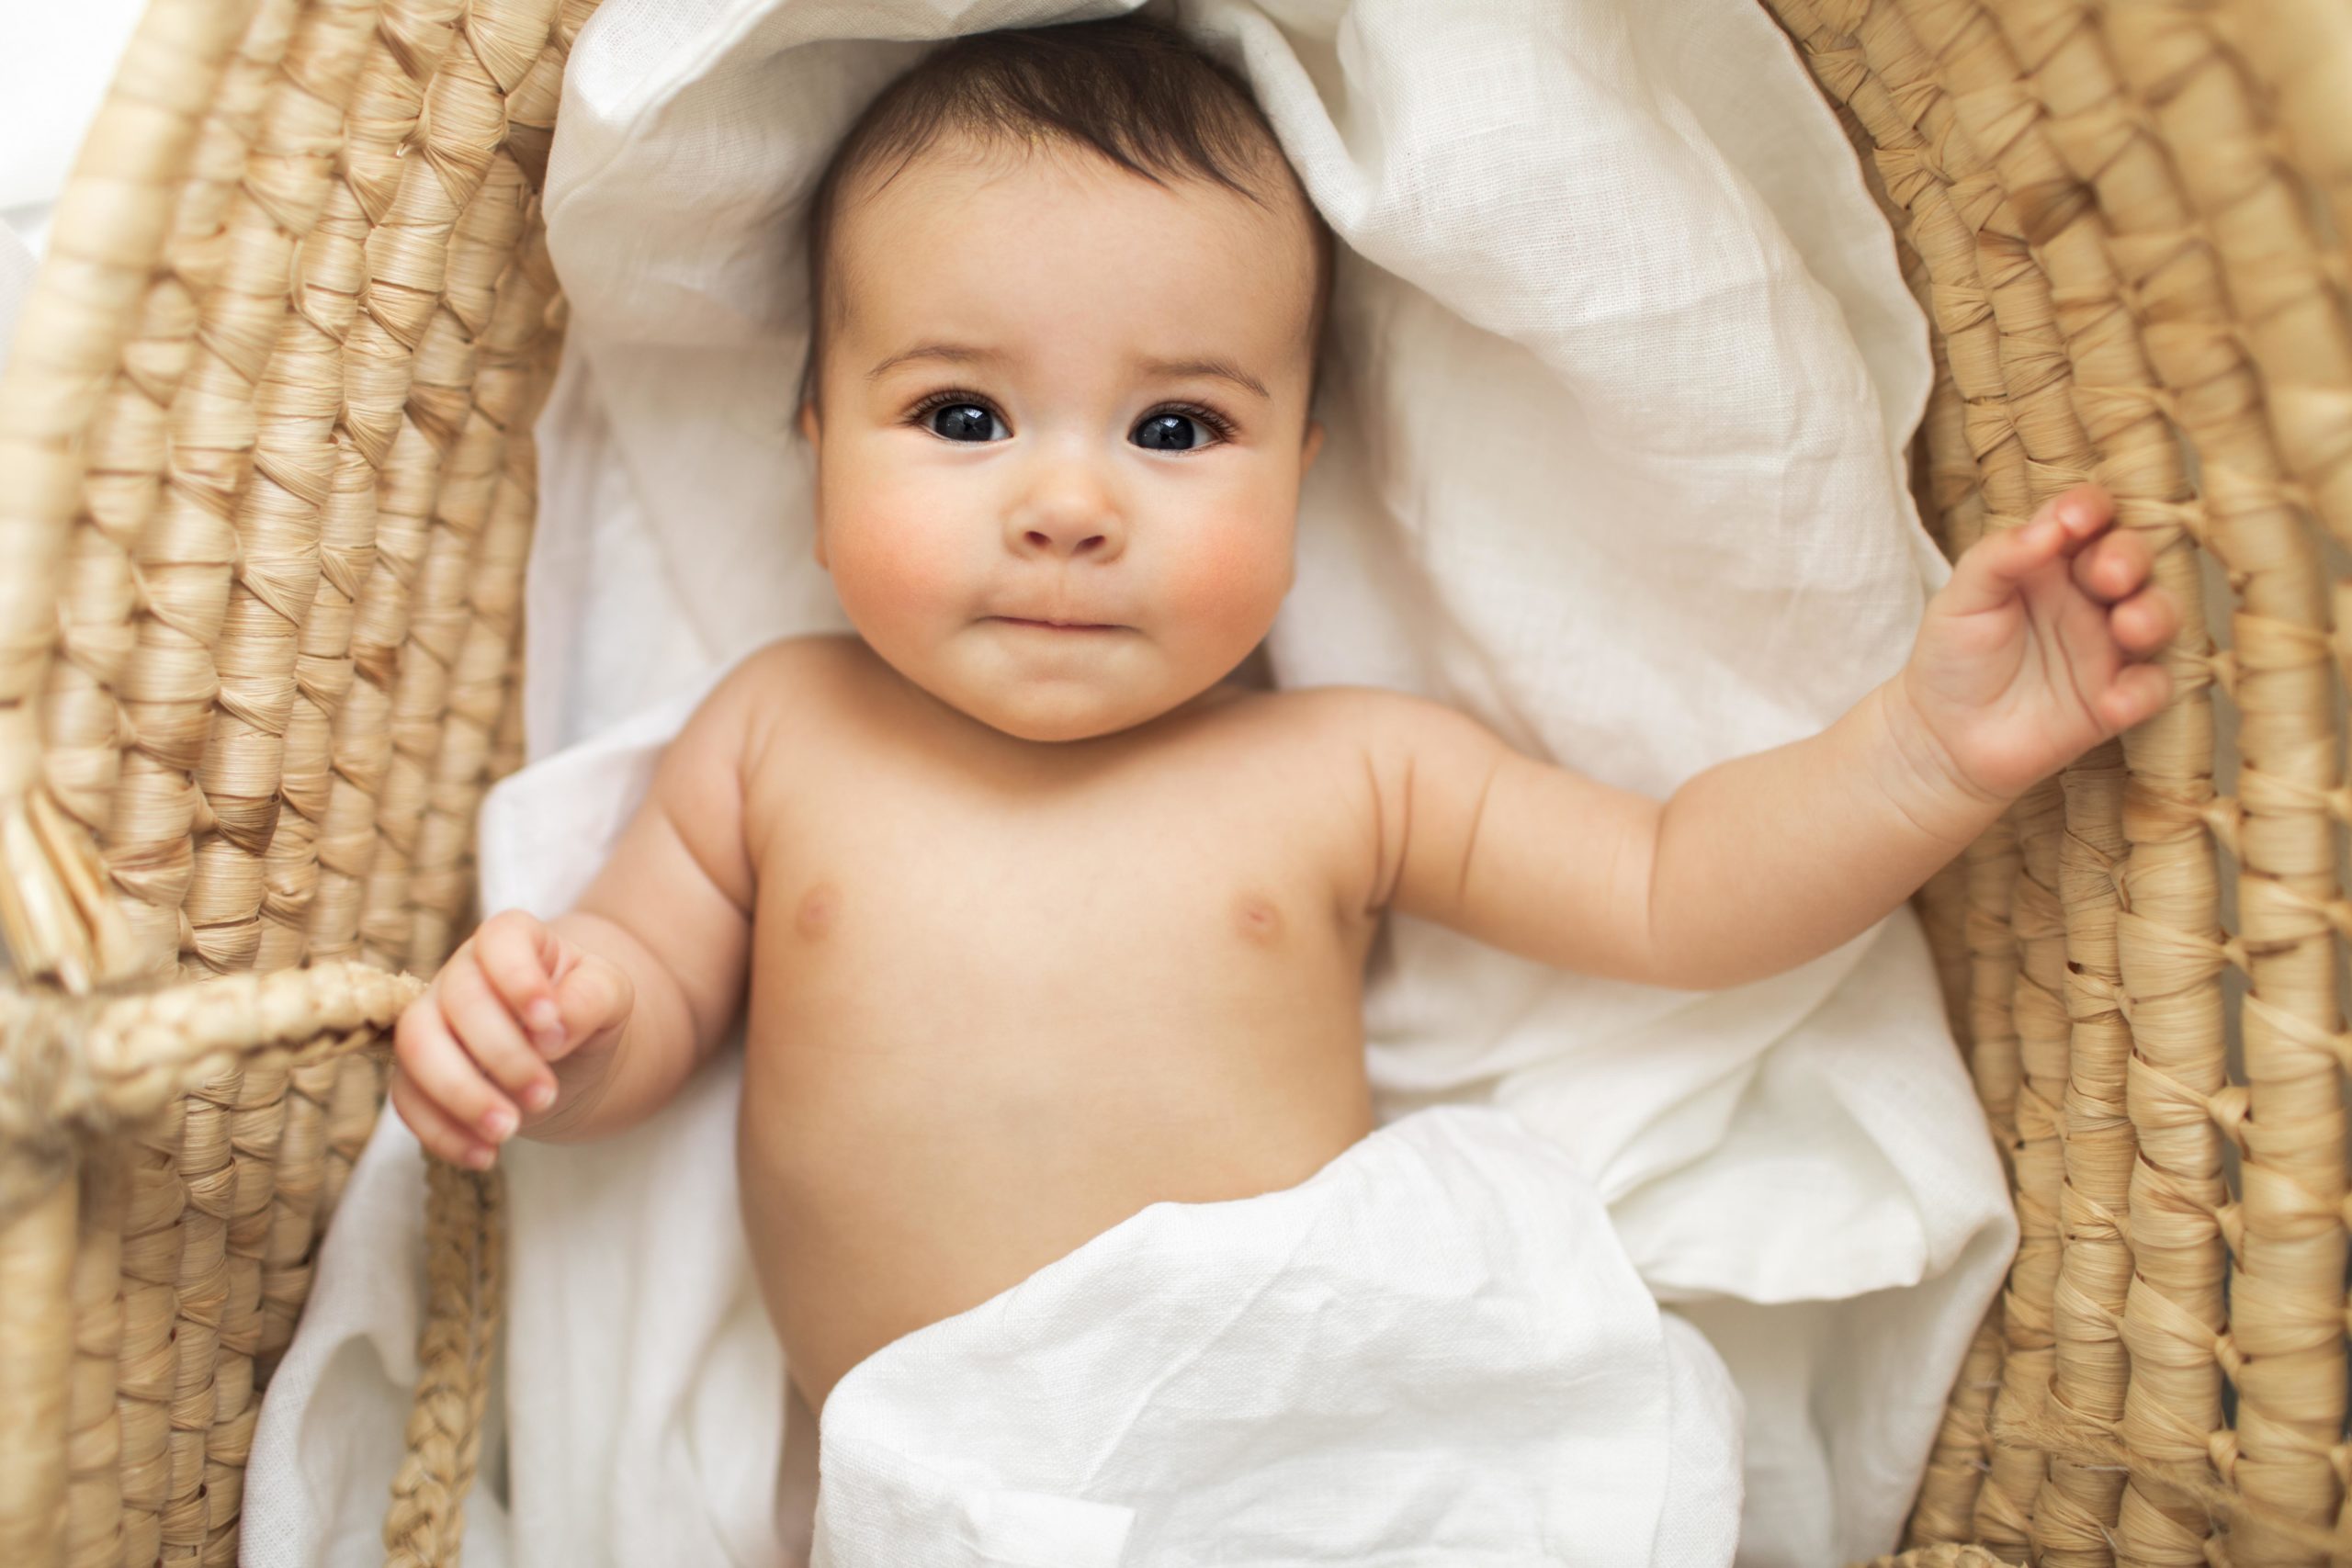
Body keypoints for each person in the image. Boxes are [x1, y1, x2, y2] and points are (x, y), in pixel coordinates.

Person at [389, 12, 2176, 1427]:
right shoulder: (774, 733)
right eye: (958, 414)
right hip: (928, 1476)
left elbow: (1667, 888)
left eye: (1174, 428)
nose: (1067, 504)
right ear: (808, 443)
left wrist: (1923, 754)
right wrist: (552, 1027)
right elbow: (644, 1012)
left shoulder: (1344, 766)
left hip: (1290, 1426)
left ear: (1302, 469)